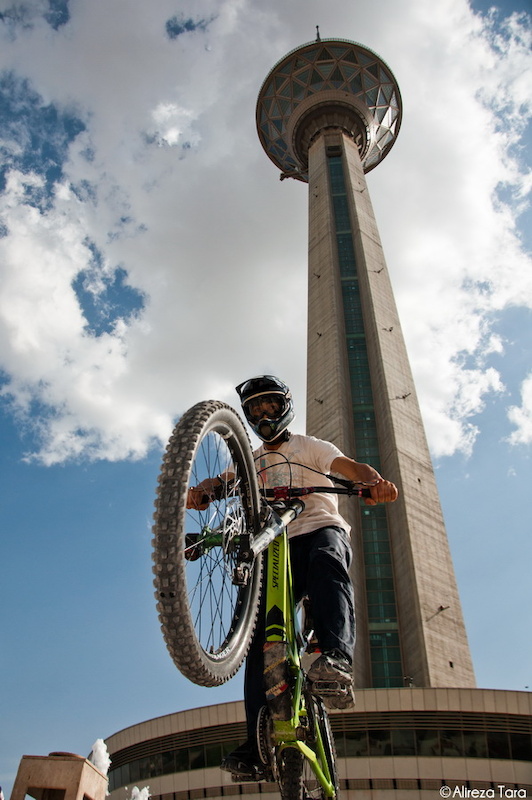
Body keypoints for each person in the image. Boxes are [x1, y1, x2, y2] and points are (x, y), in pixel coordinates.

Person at [189, 375, 398, 780]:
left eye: (270, 407)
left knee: (327, 563)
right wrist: (200, 491)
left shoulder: (308, 446)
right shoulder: (250, 462)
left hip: (317, 528)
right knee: (255, 640)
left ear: (284, 408)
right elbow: (221, 483)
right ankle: (257, 742)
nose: (264, 416)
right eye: (255, 410)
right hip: (275, 546)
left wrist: (372, 483)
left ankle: (335, 658)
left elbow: (350, 467)